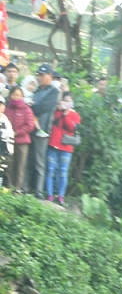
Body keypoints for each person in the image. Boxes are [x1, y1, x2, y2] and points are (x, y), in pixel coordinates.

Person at [30, 63, 61, 198]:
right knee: (28, 160)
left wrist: (29, 108)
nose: (40, 77)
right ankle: (25, 188)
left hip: (43, 132)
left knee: (40, 162)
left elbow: (42, 107)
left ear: (50, 76)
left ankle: (38, 192)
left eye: (43, 75)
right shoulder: (36, 91)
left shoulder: (54, 92)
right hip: (29, 129)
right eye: (39, 75)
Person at [44, 95, 80, 205]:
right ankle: (49, 194)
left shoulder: (75, 115)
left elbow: (72, 128)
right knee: (50, 171)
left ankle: (61, 196)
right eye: (64, 100)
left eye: (69, 101)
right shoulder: (55, 112)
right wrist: (59, 110)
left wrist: (66, 115)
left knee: (63, 173)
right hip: (53, 145)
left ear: (72, 103)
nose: (66, 102)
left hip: (66, 148)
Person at [4, 87, 34, 193]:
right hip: (8, 142)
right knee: (8, 167)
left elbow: (30, 125)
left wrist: (16, 133)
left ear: (22, 97)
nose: (16, 97)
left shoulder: (26, 109)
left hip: (22, 143)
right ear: (10, 95)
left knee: (19, 168)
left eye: (18, 95)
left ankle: (16, 190)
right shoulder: (6, 108)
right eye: (14, 94)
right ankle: (7, 189)